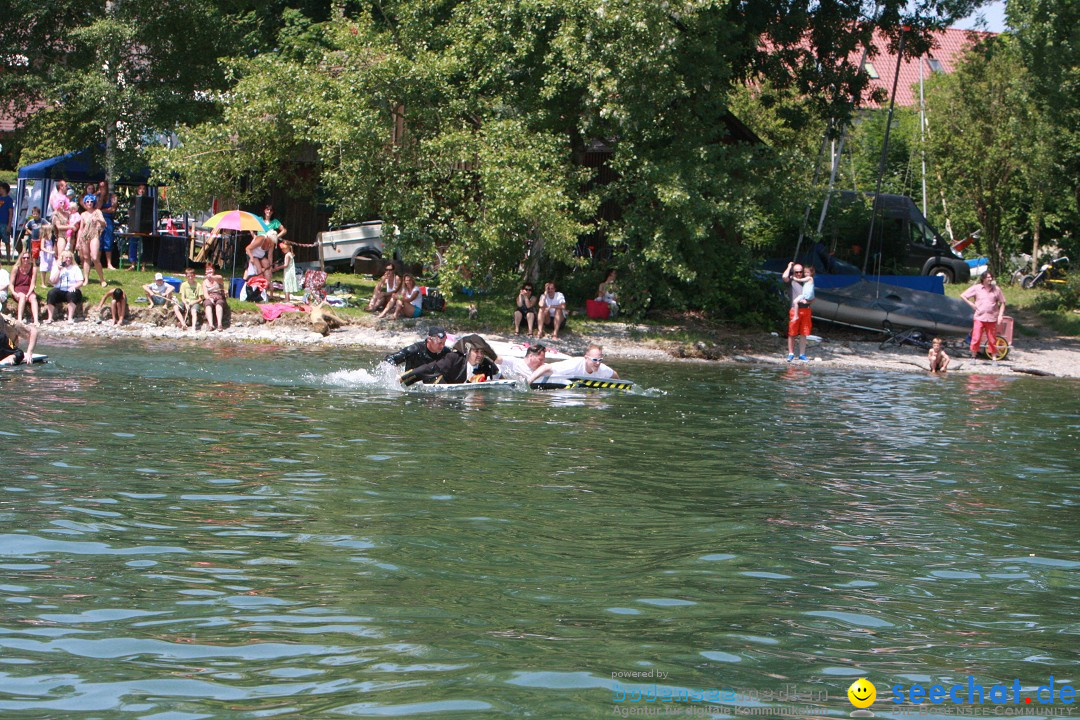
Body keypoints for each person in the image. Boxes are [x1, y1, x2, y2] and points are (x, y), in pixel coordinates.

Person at [400, 338, 501, 385]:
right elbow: (429, 369)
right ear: (468, 352)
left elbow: (501, 379)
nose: (480, 355)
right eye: (476, 351)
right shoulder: (454, 358)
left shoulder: (486, 364)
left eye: (482, 352)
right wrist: (403, 378)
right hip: (441, 384)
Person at [960, 270, 1006, 360]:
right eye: (988, 277)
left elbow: (1003, 302)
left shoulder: (996, 289)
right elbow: (963, 295)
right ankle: (973, 356)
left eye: (991, 277)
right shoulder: (977, 288)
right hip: (979, 317)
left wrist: (1000, 315)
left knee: (992, 339)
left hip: (992, 318)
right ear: (983, 278)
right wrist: (971, 304)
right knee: (976, 337)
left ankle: (994, 358)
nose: (990, 279)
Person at [529, 343, 619, 383]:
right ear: (586, 358)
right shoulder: (574, 364)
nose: (598, 363)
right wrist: (529, 382)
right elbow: (546, 367)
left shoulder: (601, 368)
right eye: (595, 360)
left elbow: (615, 375)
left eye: (600, 360)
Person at [783, 261, 813, 362]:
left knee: (804, 333)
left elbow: (813, 297)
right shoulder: (791, 280)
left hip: (806, 310)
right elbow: (784, 277)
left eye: (800, 272)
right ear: (793, 272)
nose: (799, 274)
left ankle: (802, 354)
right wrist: (789, 266)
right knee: (792, 333)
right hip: (794, 310)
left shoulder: (807, 281)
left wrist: (808, 301)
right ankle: (791, 354)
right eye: (796, 272)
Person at [384, 326, 450, 370]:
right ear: (429, 340)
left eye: (444, 343)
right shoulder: (414, 350)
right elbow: (390, 358)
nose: (442, 346)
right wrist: (394, 371)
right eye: (439, 343)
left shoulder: (446, 352)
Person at [46, 250, 85, 322]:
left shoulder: (75, 268)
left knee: (72, 294)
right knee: (51, 293)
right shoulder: (56, 267)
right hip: (60, 289)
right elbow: (53, 281)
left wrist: (74, 287)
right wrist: (59, 270)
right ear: (62, 258)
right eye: (66, 257)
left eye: (70, 258)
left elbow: (80, 282)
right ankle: (50, 317)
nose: (68, 259)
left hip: (71, 289)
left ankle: (70, 317)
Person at [78, 193, 107, 287]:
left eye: (91, 201)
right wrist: (78, 241)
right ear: (85, 203)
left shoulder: (97, 212)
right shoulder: (83, 214)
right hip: (84, 237)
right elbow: (81, 229)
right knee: (86, 258)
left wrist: (98, 219)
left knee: (94, 257)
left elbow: (104, 224)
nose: (89, 203)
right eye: (87, 201)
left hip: (94, 235)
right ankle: (86, 279)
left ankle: (102, 279)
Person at [8, 252, 40, 325]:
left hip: (28, 289)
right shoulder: (16, 268)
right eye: (24, 258)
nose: (26, 259)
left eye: (28, 258)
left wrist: (28, 294)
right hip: (18, 288)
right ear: (21, 259)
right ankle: (19, 319)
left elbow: (32, 284)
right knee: (22, 297)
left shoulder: (33, 268)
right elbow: (11, 283)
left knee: (33, 298)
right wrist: (13, 292)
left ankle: (36, 320)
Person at [125, 184, 146, 270]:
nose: (142, 190)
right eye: (140, 189)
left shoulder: (147, 201)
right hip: (134, 226)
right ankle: (133, 264)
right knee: (133, 244)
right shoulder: (133, 200)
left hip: (144, 226)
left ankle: (143, 265)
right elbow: (130, 212)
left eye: (143, 189)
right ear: (137, 190)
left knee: (144, 246)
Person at [202, 265, 228, 331]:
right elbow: (205, 293)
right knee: (207, 304)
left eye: (210, 269)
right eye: (207, 270)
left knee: (219, 304)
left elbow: (219, 279)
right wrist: (209, 298)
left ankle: (219, 324)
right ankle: (211, 325)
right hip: (210, 296)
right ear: (205, 272)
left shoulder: (219, 277)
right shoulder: (204, 282)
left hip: (219, 296)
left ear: (213, 270)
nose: (209, 271)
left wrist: (211, 277)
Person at [98, 180, 118, 270]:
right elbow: (96, 208)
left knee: (108, 241)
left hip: (108, 220)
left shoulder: (113, 196)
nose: (102, 189)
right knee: (98, 241)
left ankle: (109, 263)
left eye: (104, 187)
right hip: (98, 220)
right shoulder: (97, 196)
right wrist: (101, 197)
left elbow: (113, 209)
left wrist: (101, 210)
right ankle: (97, 262)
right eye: (100, 187)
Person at [37, 223, 56, 290]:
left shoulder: (50, 238)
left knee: (54, 267)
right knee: (44, 268)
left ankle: (51, 280)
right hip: (45, 255)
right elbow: (42, 248)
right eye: (49, 230)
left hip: (51, 255)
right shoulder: (43, 238)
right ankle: (43, 283)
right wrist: (49, 251)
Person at [0, 182, 13, 260]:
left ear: (4, 189)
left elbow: (11, 213)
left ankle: (8, 259)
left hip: (5, 224)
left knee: (6, 242)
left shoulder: (9, 199)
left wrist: (9, 225)